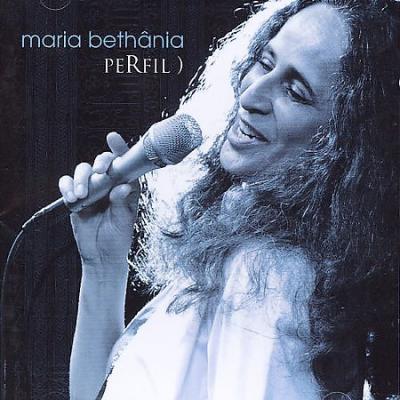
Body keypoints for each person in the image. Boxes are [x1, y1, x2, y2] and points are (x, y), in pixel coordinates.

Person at [59, 0, 399, 399]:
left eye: (295, 92)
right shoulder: (253, 258)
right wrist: (103, 267)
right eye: (265, 62)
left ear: (348, 144)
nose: (251, 94)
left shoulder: (269, 277)